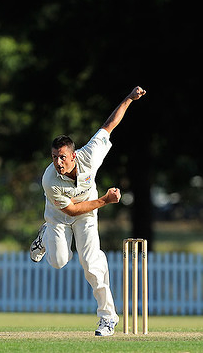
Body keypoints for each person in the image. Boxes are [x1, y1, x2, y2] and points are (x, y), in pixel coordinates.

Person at [30, 86, 146, 336]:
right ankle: (46, 235)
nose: (57, 163)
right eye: (53, 157)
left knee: (92, 262)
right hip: (61, 216)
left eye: (62, 157)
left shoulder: (90, 155)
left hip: (87, 214)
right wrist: (105, 200)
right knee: (60, 261)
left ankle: (108, 318)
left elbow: (109, 124)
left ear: (73, 155)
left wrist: (128, 99)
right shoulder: (50, 179)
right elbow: (71, 210)